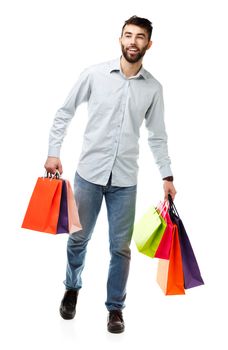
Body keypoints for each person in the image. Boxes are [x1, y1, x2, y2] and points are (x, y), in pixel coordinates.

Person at [44, 15, 177, 333]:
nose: (133, 41)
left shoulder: (153, 89)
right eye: (128, 35)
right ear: (120, 39)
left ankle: (115, 309)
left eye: (140, 37)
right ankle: (72, 288)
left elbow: (157, 136)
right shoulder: (94, 74)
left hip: (125, 182)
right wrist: (53, 151)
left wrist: (167, 176)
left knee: (120, 248)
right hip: (88, 176)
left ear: (149, 43)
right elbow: (65, 111)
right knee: (78, 239)